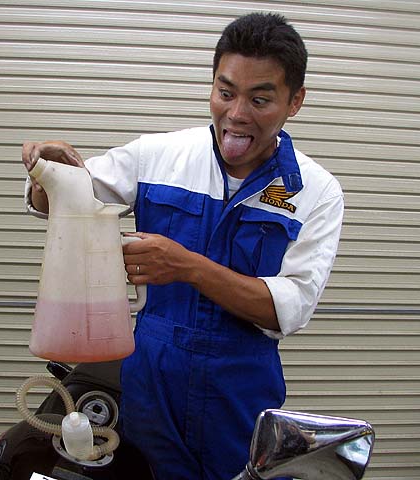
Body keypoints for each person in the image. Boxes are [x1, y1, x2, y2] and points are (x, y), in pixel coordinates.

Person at [22, 12, 343, 480]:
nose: (237, 114)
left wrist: (188, 267)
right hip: (151, 379)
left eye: (260, 99)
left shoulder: (315, 191)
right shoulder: (158, 157)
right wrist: (45, 175)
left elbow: (289, 309)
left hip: (240, 389)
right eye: (226, 92)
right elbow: (63, 199)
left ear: (295, 101)